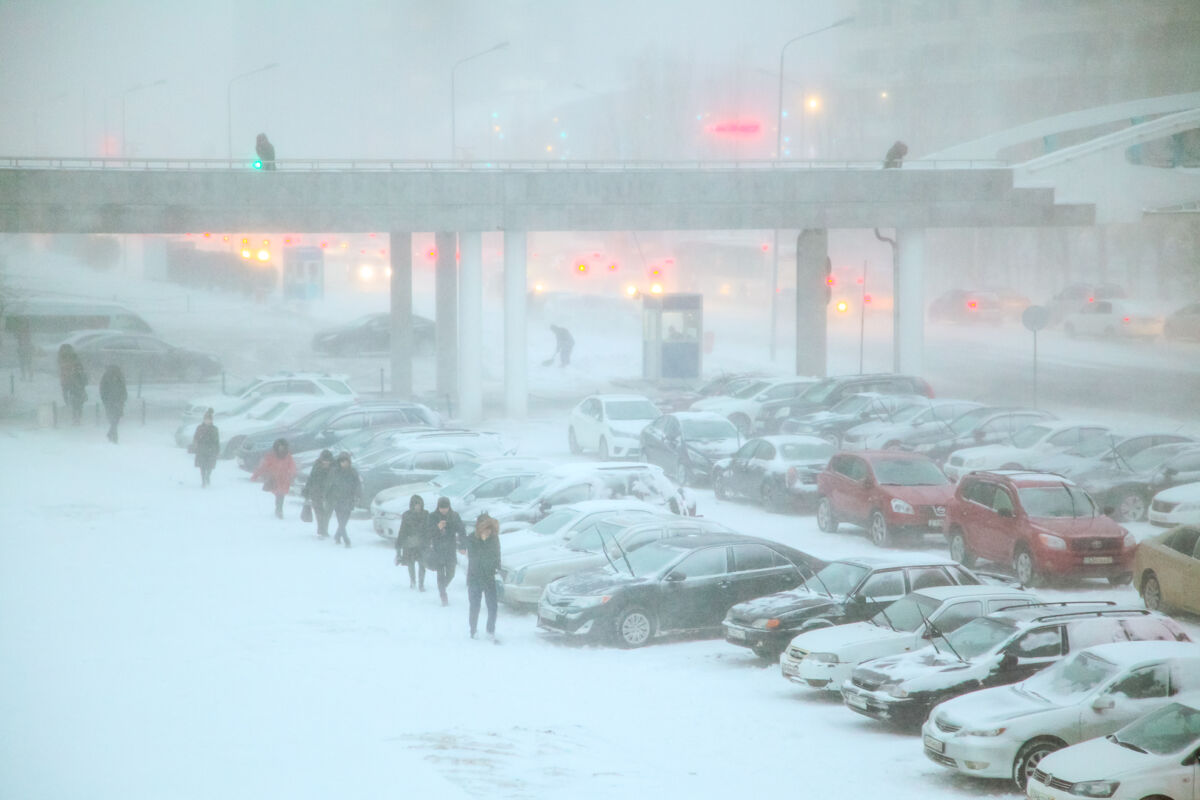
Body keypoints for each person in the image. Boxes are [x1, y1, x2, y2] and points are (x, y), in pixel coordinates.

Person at [463, 512, 501, 641]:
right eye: (485, 529)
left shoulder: (494, 539)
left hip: (489, 577)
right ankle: (473, 630)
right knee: (475, 605)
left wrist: (497, 569)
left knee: (493, 606)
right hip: (475, 577)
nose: (487, 532)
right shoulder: (471, 539)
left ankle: (490, 630)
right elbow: (474, 557)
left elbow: (497, 556)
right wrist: (483, 542)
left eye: (489, 529)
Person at [426, 496, 465, 606]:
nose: (443, 510)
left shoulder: (454, 516)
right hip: (438, 549)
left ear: (449, 507)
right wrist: (437, 527)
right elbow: (427, 533)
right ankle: (443, 594)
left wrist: (463, 546)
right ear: (438, 507)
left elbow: (462, 530)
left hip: (450, 549)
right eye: (441, 508)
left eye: (445, 508)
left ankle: (442, 587)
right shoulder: (432, 517)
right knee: (440, 573)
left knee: (451, 573)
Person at [251, 438, 296, 519]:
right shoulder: (271, 456)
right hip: (273, 479)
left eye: (283, 447)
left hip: (283, 479)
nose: (281, 449)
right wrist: (255, 475)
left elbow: (292, 467)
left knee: (280, 495)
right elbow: (263, 467)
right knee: (278, 494)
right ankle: (278, 510)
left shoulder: (288, 456)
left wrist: (291, 475)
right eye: (280, 447)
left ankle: (279, 510)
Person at [324, 452, 362, 548]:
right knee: (341, 520)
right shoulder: (335, 472)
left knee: (345, 519)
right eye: (341, 462)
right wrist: (326, 496)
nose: (343, 464)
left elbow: (357, 484)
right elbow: (329, 484)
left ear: (349, 462)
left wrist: (358, 495)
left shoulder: (353, 472)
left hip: (349, 499)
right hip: (337, 499)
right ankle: (346, 539)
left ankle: (337, 535)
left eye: (345, 461)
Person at [394, 494, 430, 589]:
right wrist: (399, 544)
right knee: (411, 564)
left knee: (422, 564)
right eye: (416, 504)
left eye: (419, 504)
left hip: (422, 544)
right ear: (412, 505)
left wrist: (429, 541)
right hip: (409, 544)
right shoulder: (407, 515)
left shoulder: (426, 514)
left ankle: (421, 584)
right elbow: (402, 531)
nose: (418, 506)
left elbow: (428, 530)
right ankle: (413, 581)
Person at [302, 450, 335, 538]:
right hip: (316, 493)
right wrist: (307, 489)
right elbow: (311, 478)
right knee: (319, 512)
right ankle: (321, 529)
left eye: (327, 461)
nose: (326, 463)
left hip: (329, 494)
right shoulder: (316, 466)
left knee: (327, 513)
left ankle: (324, 528)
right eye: (324, 461)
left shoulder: (334, 469)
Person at [57, 343, 87, 425]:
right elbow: (80, 371)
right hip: (74, 383)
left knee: (73, 400)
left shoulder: (62, 360)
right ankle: (76, 416)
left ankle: (75, 416)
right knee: (77, 400)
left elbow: (63, 372)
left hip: (70, 382)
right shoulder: (74, 359)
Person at [98, 365, 127, 443]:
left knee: (113, 418)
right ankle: (113, 435)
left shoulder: (107, 376)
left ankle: (112, 433)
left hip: (111, 401)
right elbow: (123, 388)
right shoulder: (118, 375)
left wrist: (104, 399)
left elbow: (102, 389)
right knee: (116, 418)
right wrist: (123, 397)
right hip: (116, 401)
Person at [191, 408, 220, 487]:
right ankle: (203, 480)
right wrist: (195, 446)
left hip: (211, 450)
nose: (207, 421)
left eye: (209, 420)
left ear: (211, 420)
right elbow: (196, 438)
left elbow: (217, 441)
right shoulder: (200, 428)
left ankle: (208, 476)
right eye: (206, 419)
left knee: (210, 466)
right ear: (203, 420)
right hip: (202, 450)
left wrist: (217, 450)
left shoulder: (214, 429)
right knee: (202, 466)